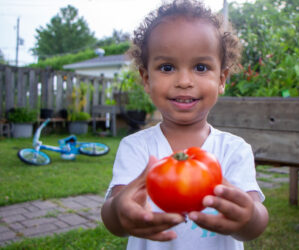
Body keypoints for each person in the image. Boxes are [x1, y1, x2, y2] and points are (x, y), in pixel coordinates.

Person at [101, 0, 269, 249]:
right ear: (146, 79)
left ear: (222, 79)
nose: (184, 81)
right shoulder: (136, 148)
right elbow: (114, 219)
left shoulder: (234, 149)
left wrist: (250, 217)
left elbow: (255, 221)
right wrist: (119, 210)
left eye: (201, 67)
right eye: (167, 67)